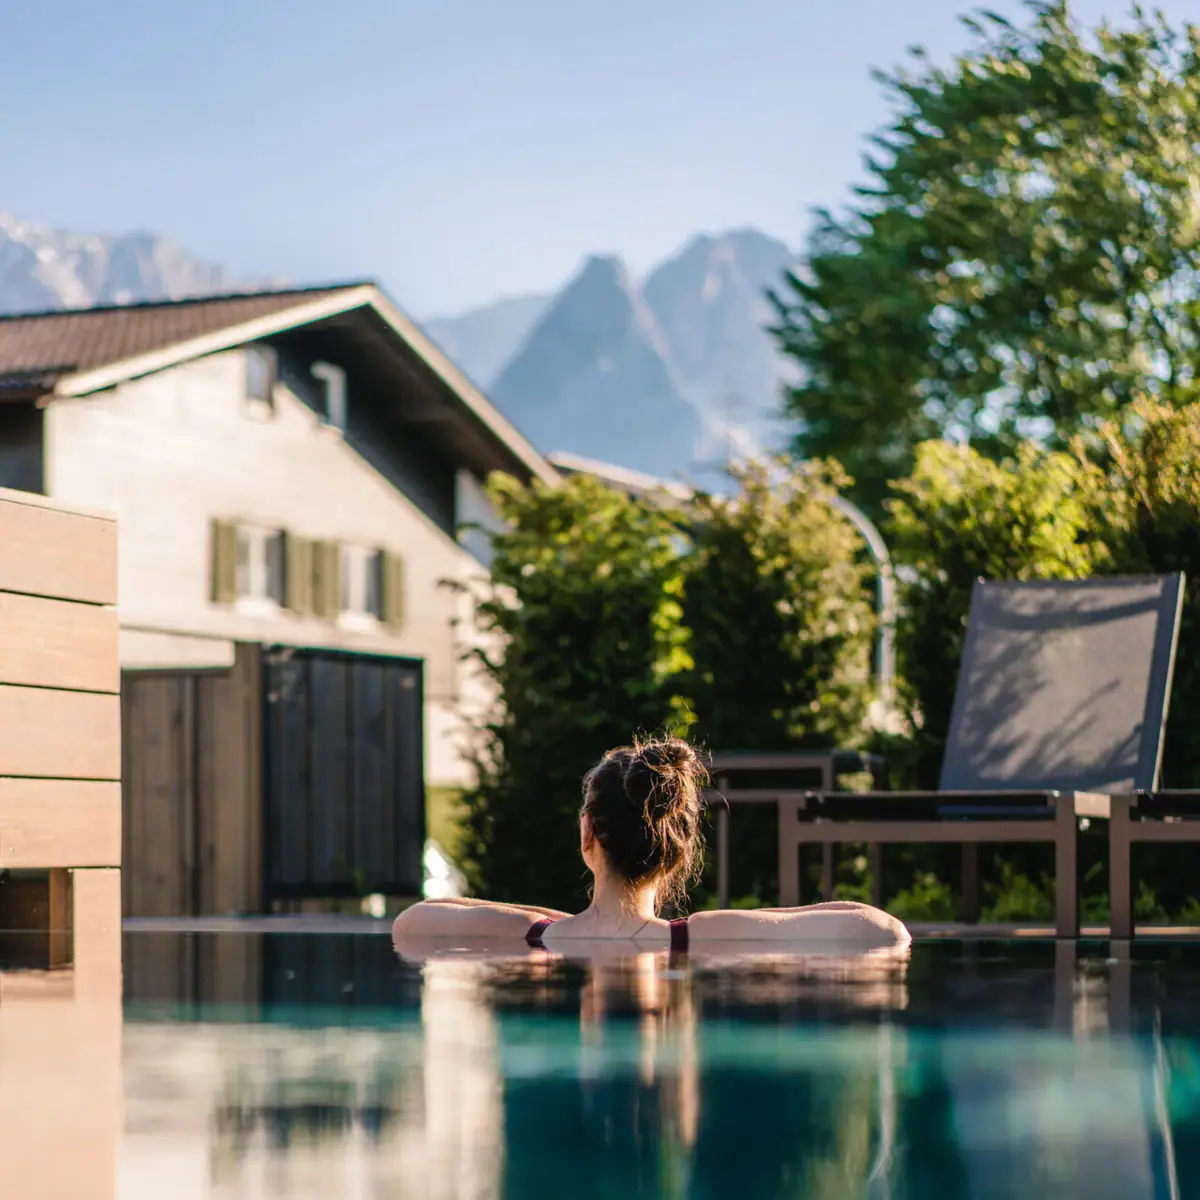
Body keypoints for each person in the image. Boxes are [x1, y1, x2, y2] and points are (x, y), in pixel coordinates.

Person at [392, 736, 911, 952]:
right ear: (679, 849)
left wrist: (554, 924)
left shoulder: (537, 938)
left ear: (586, 833)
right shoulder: (699, 937)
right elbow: (886, 930)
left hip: (561, 935)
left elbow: (413, 921)